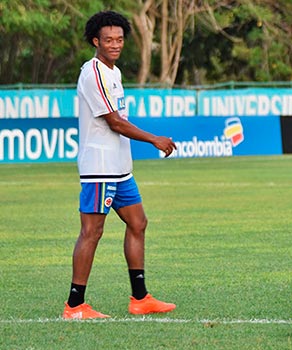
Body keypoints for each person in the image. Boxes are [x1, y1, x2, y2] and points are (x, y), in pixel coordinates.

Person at [63, 11, 178, 319]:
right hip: (99, 167)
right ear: (95, 41)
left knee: (138, 222)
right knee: (92, 231)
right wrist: (154, 139)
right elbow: (113, 121)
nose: (115, 45)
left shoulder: (113, 72)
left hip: (119, 168)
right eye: (108, 40)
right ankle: (75, 305)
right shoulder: (94, 73)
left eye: (120, 39)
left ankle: (140, 298)